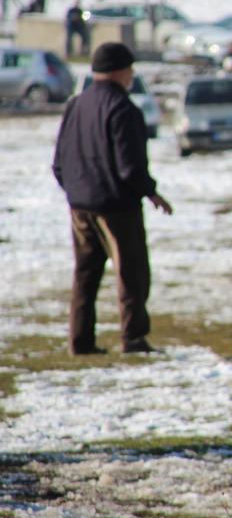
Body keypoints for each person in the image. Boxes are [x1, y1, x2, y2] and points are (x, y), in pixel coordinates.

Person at [51, 43, 172, 356]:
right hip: (116, 207)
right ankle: (133, 338)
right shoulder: (123, 109)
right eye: (130, 70)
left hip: (80, 205)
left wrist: (74, 191)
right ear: (120, 70)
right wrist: (150, 191)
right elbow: (129, 166)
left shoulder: (75, 105)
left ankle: (80, 340)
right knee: (131, 274)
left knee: (85, 275)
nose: (132, 76)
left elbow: (59, 162)